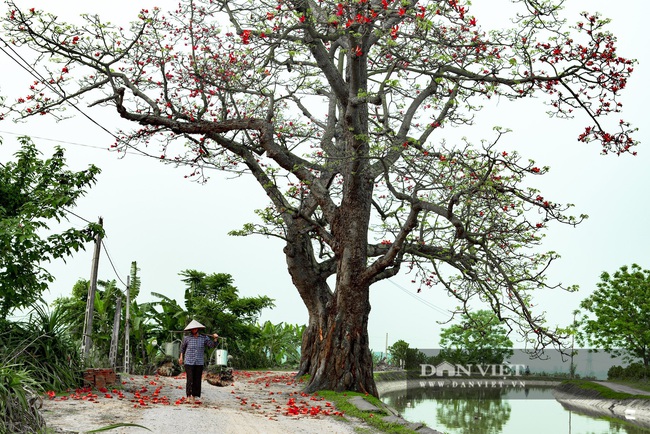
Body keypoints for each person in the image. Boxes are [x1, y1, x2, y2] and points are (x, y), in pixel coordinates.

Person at [178, 319, 218, 404]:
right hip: (189, 361)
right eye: (192, 329)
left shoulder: (204, 338)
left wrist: (215, 339)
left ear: (198, 329)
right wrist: (181, 357)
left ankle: (194, 396)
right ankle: (188, 396)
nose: (194, 330)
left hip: (199, 362)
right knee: (190, 379)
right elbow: (182, 348)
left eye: (195, 328)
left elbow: (212, 345)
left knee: (197, 379)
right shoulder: (187, 338)